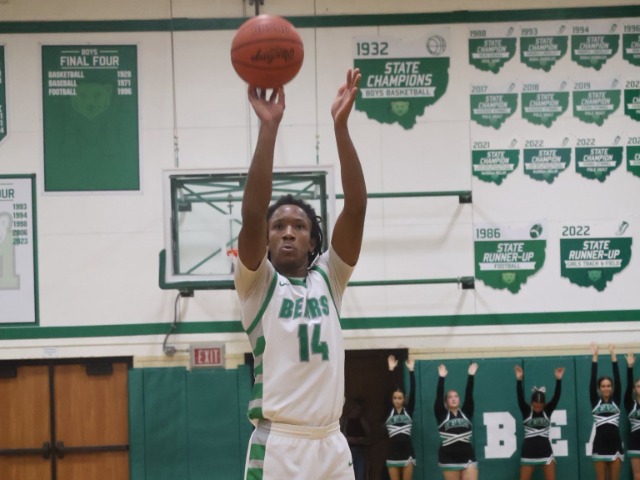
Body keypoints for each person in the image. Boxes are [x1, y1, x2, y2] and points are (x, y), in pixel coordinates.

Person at [235, 67, 366, 480]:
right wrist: (268, 128)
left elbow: (356, 207)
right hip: (280, 444)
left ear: (313, 242)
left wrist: (341, 128)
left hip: (331, 442)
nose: (288, 232)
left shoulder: (330, 278)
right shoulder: (258, 285)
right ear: (266, 239)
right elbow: (252, 213)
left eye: (299, 226)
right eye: (278, 226)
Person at [514, 364, 565, 480]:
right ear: (531, 403)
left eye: (540, 406)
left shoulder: (547, 410)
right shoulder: (526, 411)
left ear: (544, 404)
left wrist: (558, 380)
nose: (538, 408)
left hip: (546, 451)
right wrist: (519, 380)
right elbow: (520, 397)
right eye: (535, 406)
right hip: (528, 452)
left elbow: (556, 397)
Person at [435, 362, 479, 480]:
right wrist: (441, 378)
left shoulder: (466, 412)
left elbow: (469, 394)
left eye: (456, 396)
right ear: (446, 402)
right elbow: (438, 397)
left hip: (468, 456)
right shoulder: (441, 414)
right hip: (448, 457)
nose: (453, 399)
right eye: (450, 397)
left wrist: (471, 375)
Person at [590, 343, 624, 480]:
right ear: (599, 388)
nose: (606, 388)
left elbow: (618, 378)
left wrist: (613, 355)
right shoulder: (595, 401)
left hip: (615, 445)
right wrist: (595, 356)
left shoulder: (616, 400)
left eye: (609, 386)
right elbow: (593, 379)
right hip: (599, 445)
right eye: (603, 386)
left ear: (612, 388)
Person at [385, 354, 416, 480]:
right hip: (392, 452)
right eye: (395, 398)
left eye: (400, 398)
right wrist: (391, 370)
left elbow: (413, 391)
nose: (397, 400)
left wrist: (411, 370)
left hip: (407, 452)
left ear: (404, 399)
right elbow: (388, 389)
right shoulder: (389, 410)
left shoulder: (408, 410)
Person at [341, 398, 371, 480]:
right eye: (356, 409)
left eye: (360, 409)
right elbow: (339, 437)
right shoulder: (345, 421)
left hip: (360, 451)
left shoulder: (362, 421)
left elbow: (370, 439)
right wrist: (349, 439)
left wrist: (361, 440)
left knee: (360, 475)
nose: (358, 411)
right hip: (348, 451)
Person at [624, 353, 640, 480]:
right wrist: (630, 367)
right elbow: (628, 386)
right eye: (639, 386)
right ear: (634, 390)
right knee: (637, 475)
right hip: (635, 443)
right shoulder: (630, 404)